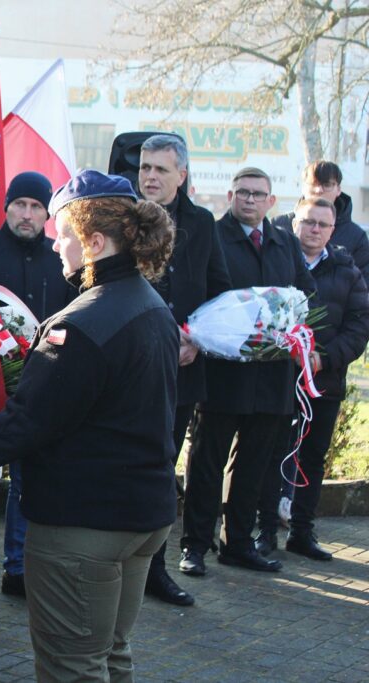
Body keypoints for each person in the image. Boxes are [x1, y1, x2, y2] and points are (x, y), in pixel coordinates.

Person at [0, 169, 179, 682]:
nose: (57, 246)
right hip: (145, 516)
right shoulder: (152, 306)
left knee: (72, 668)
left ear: (95, 242)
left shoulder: (80, 325)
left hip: (84, 525)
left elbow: (24, 426)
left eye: (65, 235)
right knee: (111, 655)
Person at [179, 168, 316, 578]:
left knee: (254, 466)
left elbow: (305, 294)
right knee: (207, 463)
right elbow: (200, 296)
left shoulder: (284, 243)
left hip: (271, 378)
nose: (250, 200)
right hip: (223, 375)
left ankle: (237, 543)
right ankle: (195, 546)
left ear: (272, 202)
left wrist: (290, 325)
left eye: (258, 194)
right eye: (243, 193)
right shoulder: (213, 237)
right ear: (230, 195)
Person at [0, 170, 77, 609]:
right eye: (19, 206)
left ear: (47, 214)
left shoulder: (58, 257)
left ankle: (17, 570)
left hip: (42, 384)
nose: (27, 215)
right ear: (6, 207)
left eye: (35, 208)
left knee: (28, 482)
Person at [136, 134, 232, 606]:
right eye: (145, 168)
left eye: (160, 169)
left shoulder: (203, 224)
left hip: (183, 370)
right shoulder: (125, 217)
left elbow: (219, 288)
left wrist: (195, 336)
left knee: (162, 470)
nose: (150, 177)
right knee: (129, 465)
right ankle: (121, 568)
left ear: (182, 175)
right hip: (131, 370)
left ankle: (155, 568)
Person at [256, 198, 369, 560]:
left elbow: (359, 325)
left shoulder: (347, 271)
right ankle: (265, 533)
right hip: (277, 377)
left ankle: (302, 533)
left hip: (324, 381)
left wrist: (325, 358)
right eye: (308, 222)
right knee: (270, 454)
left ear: (333, 230)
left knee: (313, 459)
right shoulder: (276, 263)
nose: (315, 229)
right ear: (294, 224)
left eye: (323, 224)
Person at [272, 160, 369, 280]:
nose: (318, 190)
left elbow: (362, 286)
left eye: (327, 185)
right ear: (303, 187)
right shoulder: (278, 225)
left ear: (338, 189)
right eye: (313, 184)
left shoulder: (356, 237)